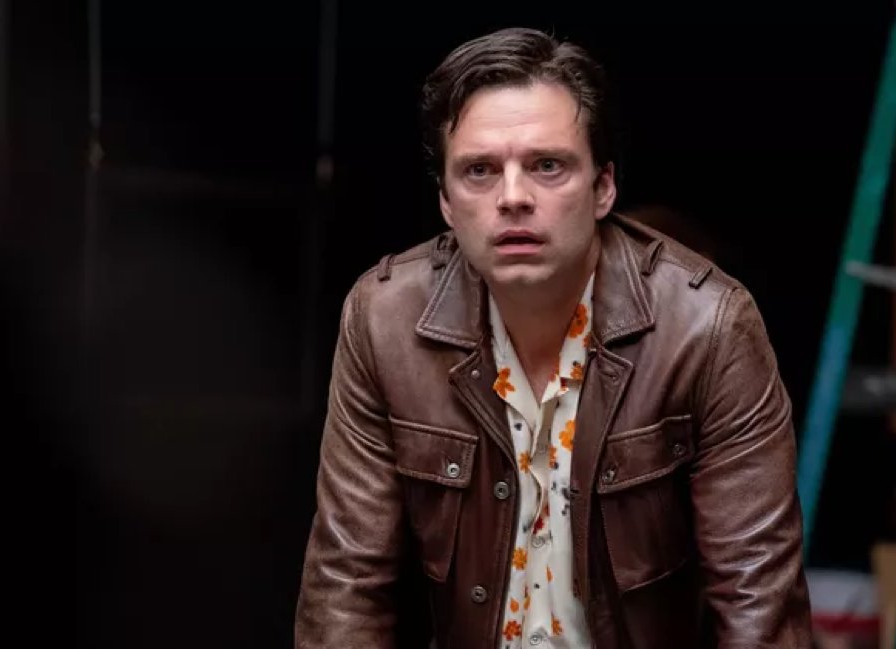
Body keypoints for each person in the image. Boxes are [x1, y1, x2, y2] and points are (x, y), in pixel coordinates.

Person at [295, 27, 812, 649]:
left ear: (603, 187)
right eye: (480, 171)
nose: (513, 197)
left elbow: (758, 603)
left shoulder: (707, 327)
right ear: (447, 203)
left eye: (547, 166)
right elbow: (349, 583)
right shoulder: (386, 321)